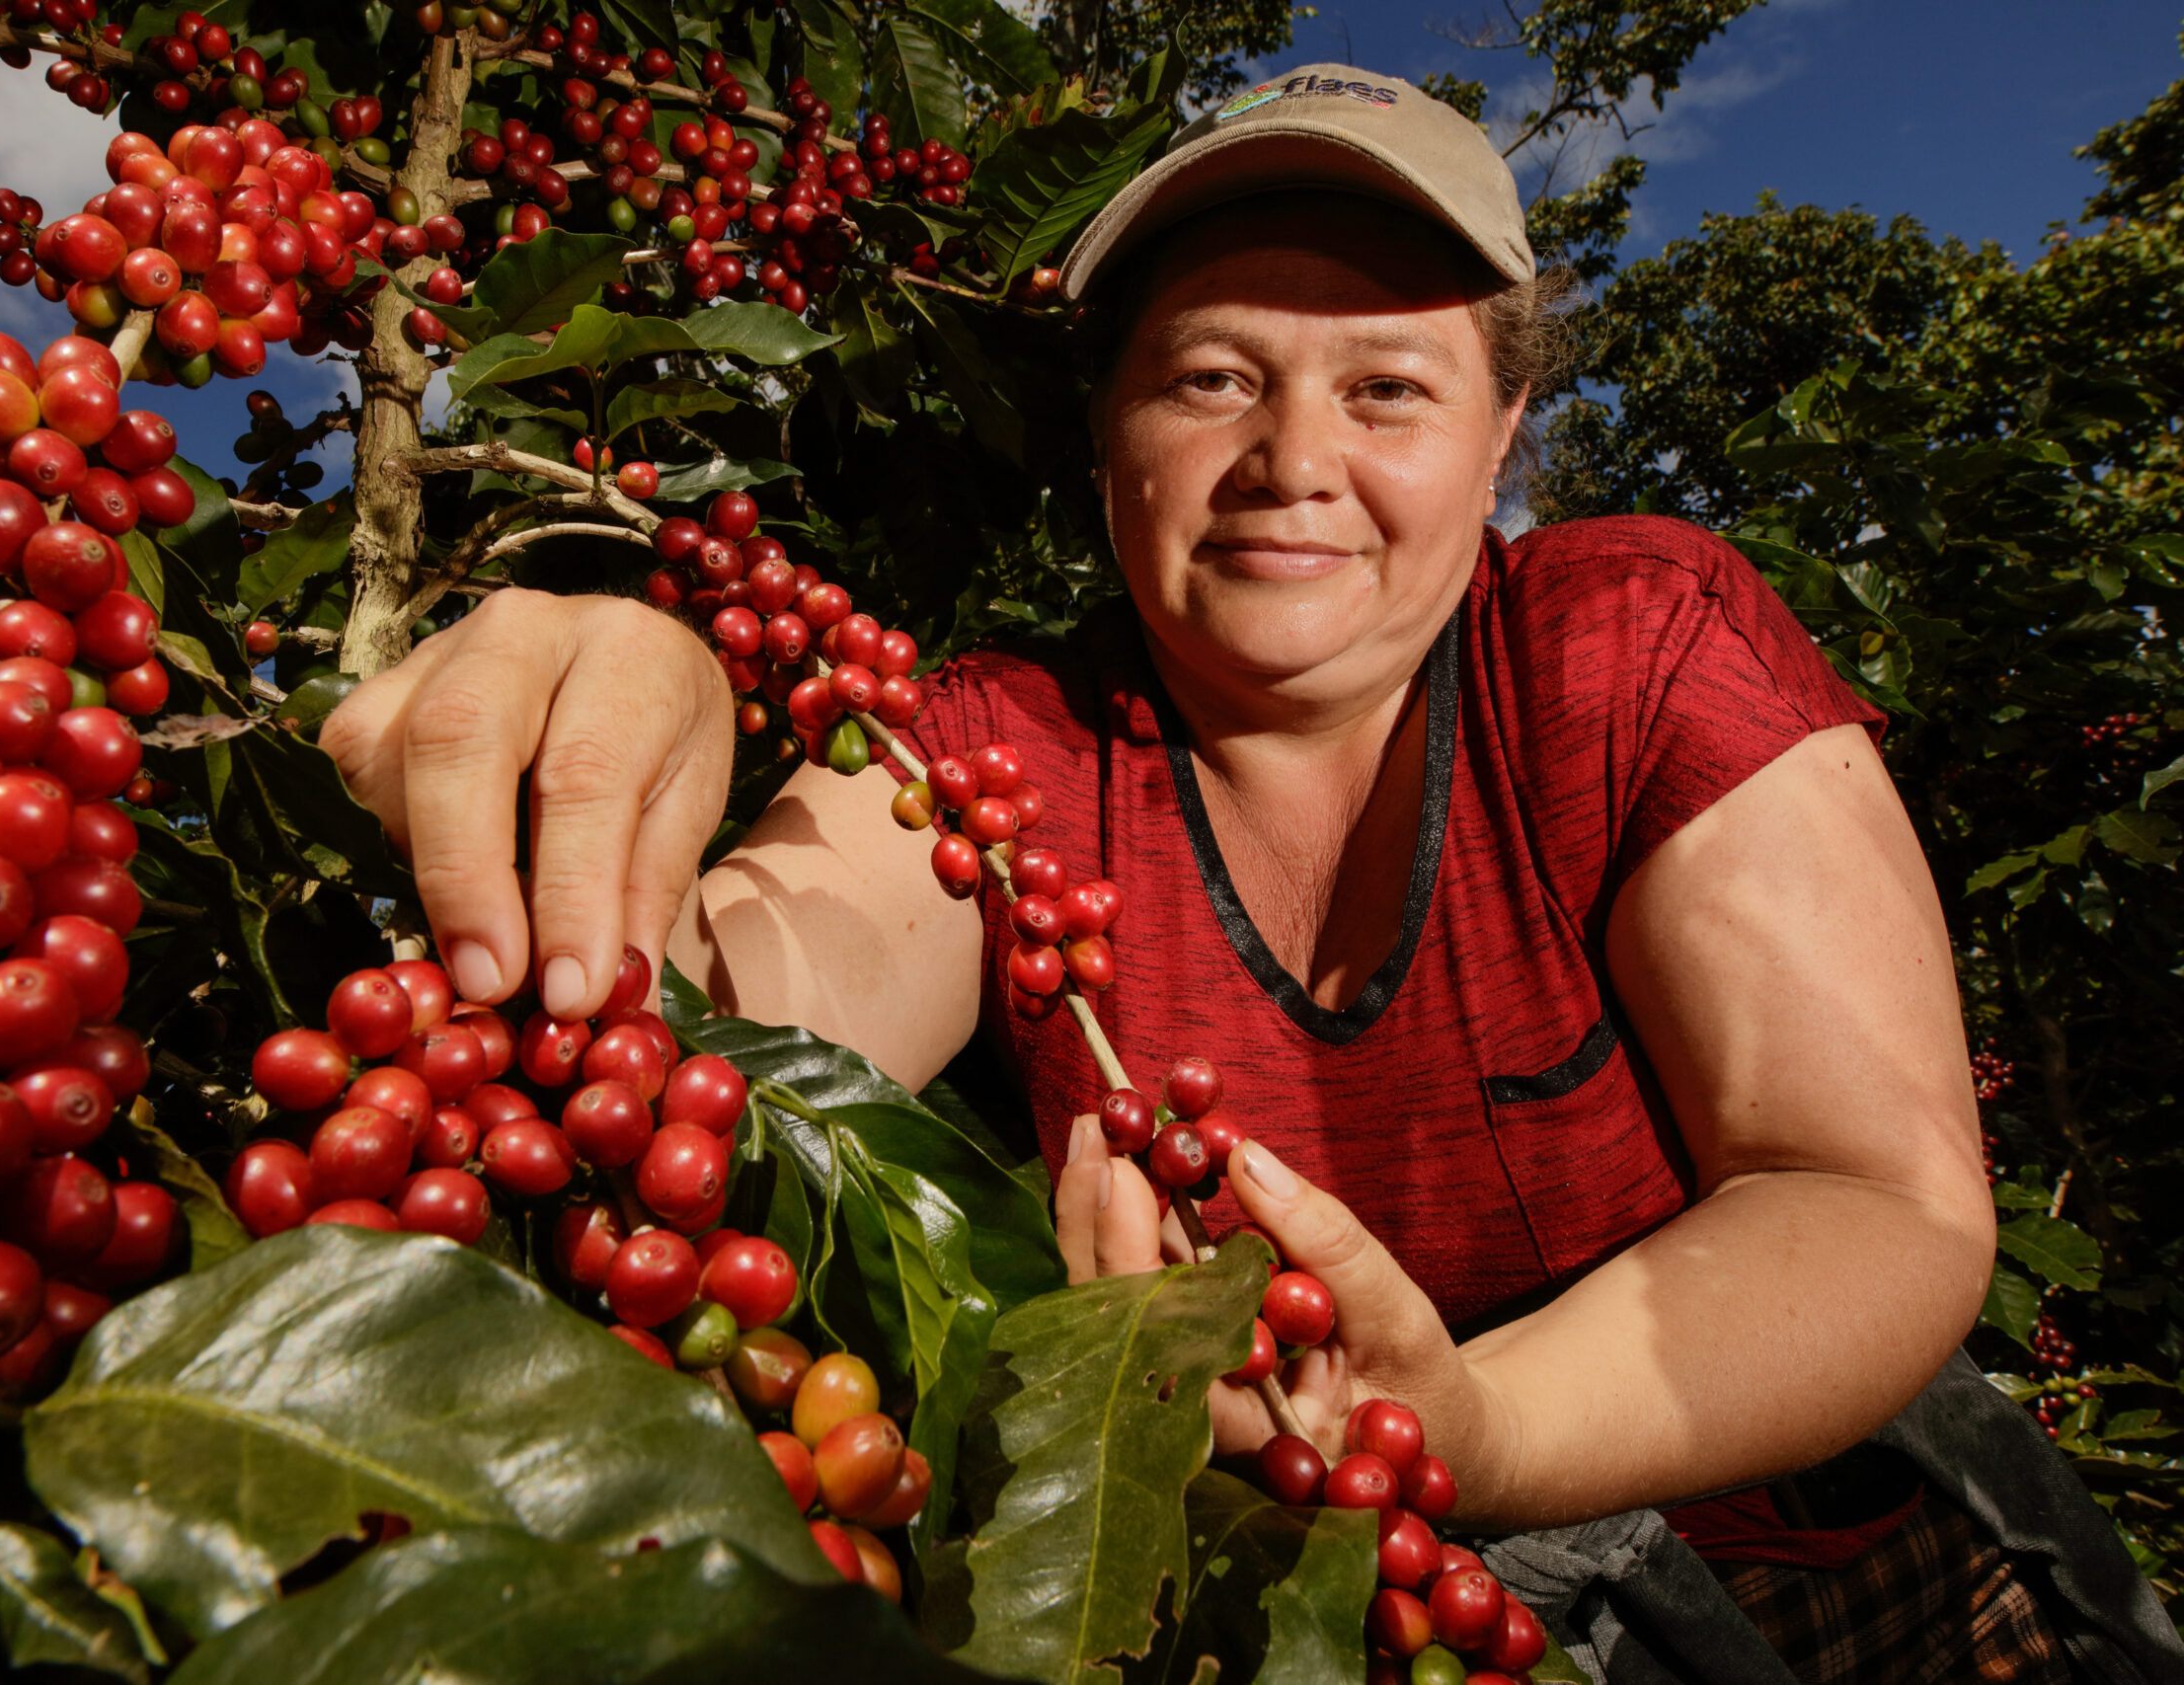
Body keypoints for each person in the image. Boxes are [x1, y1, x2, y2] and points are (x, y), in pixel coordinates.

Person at [327, 66, 2180, 1681]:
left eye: (1388, 388)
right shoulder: (992, 752)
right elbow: (711, 1009)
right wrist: (617, 727)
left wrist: (1467, 1423)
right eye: (1210, 378)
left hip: (1844, 1595)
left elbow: (1872, 1195)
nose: (1294, 461)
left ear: (1502, 433)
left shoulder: (1626, 646)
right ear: (1108, 430)